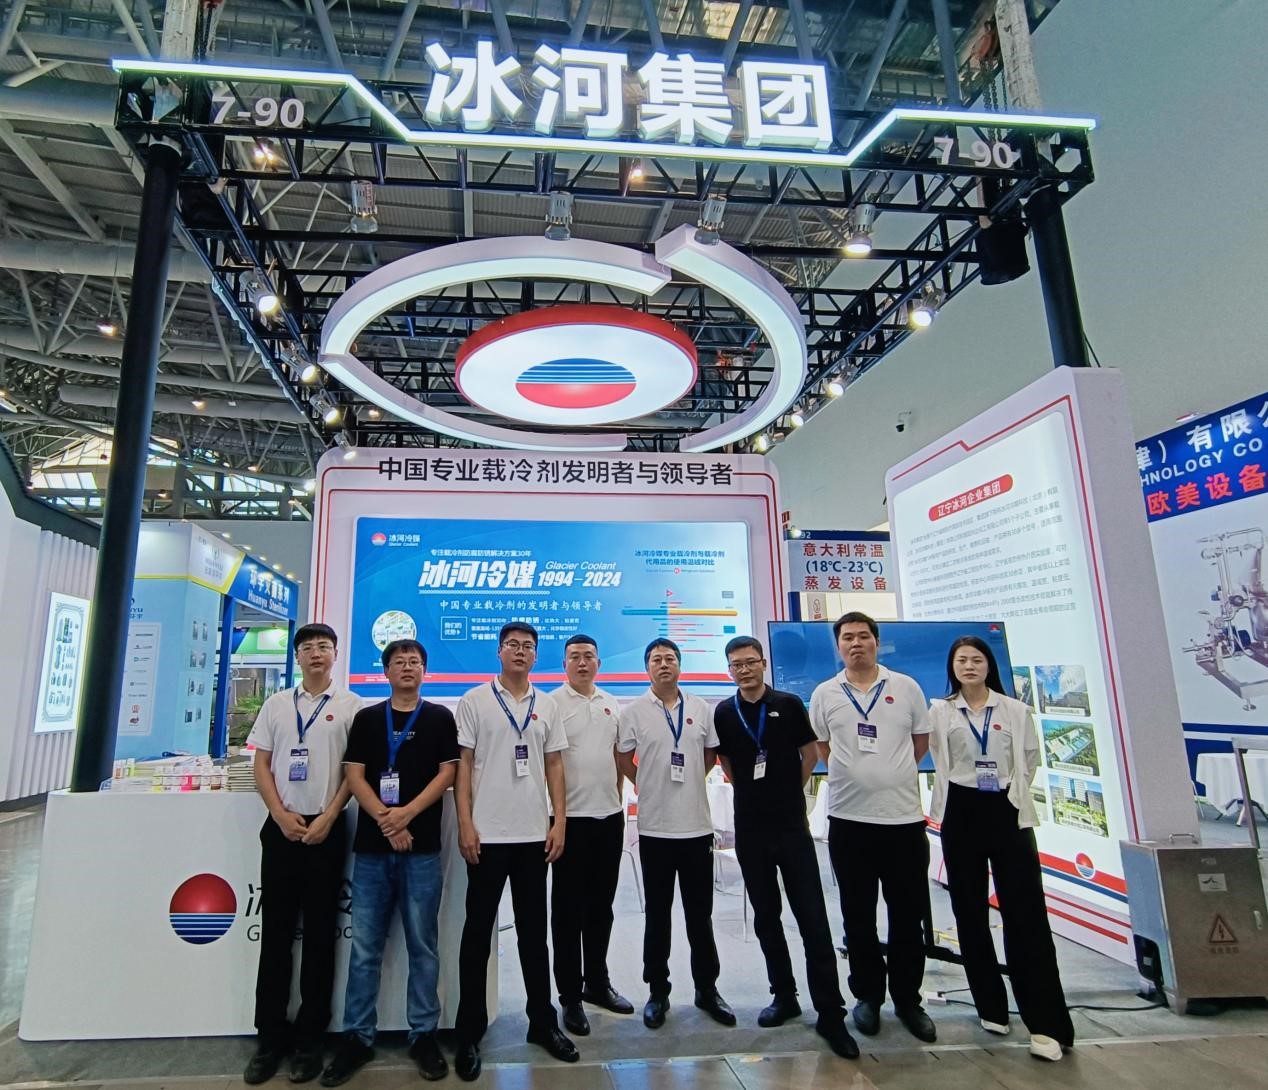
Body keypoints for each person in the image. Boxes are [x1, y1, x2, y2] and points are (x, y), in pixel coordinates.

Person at [927, 636, 1074, 1062]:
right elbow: (937, 757)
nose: (969, 666)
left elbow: (1029, 759)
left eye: (976, 659)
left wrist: (1009, 790)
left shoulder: (1014, 710)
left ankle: (1046, 1023)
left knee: (1025, 914)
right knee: (969, 912)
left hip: (1007, 809)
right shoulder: (941, 712)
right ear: (952, 667)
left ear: (989, 665)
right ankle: (990, 1006)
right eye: (961, 660)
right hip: (961, 810)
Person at [320, 639, 459, 1086]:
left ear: (425, 670)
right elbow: (354, 775)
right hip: (372, 851)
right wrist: (386, 818)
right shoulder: (366, 718)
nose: (407, 667)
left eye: (415, 661)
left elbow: (447, 773)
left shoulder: (439, 718)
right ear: (385, 671)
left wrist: (407, 814)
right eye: (399, 662)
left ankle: (424, 1035)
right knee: (365, 950)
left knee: (423, 946)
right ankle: (358, 1037)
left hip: (422, 850)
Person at [713, 636, 858, 1059]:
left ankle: (830, 1011)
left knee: (812, 917)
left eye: (750, 662)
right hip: (750, 830)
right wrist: (752, 792)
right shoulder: (724, 711)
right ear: (729, 670)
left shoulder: (789, 704)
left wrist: (789, 790)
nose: (744, 670)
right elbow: (726, 761)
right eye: (736, 664)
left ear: (763, 664)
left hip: (792, 826)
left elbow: (809, 753)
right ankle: (784, 995)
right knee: (766, 916)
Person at [452, 622, 578, 1081]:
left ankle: (542, 1022)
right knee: (476, 936)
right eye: (512, 645)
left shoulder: (547, 705)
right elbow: (463, 765)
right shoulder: (474, 700)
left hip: (532, 837)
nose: (520, 652)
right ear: (499, 651)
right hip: (486, 837)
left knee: (533, 935)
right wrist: (466, 823)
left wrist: (559, 820)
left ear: (536, 655)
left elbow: (554, 764)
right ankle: (468, 1032)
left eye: (528, 646)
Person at [810, 612, 936, 1043]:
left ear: (876, 642)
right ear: (838, 646)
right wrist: (856, 775)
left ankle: (908, 999)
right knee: (857, 915)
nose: (856, 643)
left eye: (863, 636)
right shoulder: (825, 693)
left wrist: (890, 775)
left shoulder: (906, 687)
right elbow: (823, 745)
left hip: (902, 821)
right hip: (849, 822)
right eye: (847, 637)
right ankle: (867, 996)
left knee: (907, 916)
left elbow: (920, 742)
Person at [244, 623, 362, 1085]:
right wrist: (278, 814)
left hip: (326, 831)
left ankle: (310, 1038)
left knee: (318, 937)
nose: (316, 653)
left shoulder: (351, 706)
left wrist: (330, 817)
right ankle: (270, 1037)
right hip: (281, 829)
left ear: (335, 654)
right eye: (308, 647)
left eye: (324, 647)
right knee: (275, 935)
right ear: (297, 657)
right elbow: (261, 762)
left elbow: (354, 771)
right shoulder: (277, 704)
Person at [616, 637, 735, 1031]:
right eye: (656, 659)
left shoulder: (700, 708)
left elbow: (710, 754)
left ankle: (707, 989)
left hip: (696, 828)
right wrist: (646, 783)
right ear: (647, 668)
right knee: (658, 914)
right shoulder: (633, 712)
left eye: (670, 658)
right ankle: (658, 991)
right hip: (655, 829)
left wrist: (691, 780)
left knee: (701, 915)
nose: (664, 664)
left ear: (680, 665)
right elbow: (622, 757)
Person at [549, 634, 634, 1036]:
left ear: (599, 663)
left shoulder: (611, 703)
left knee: (602, 908)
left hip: (608, 819)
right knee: (567, 912)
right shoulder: (550, 704)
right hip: (569, 821)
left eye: (588, 657)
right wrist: (556, 819)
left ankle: (597, 983)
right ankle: (570, 996)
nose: (582, 663)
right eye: (574, 657)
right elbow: (548, 764)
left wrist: (617, 801)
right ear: (564, 664)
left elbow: (617, 759)